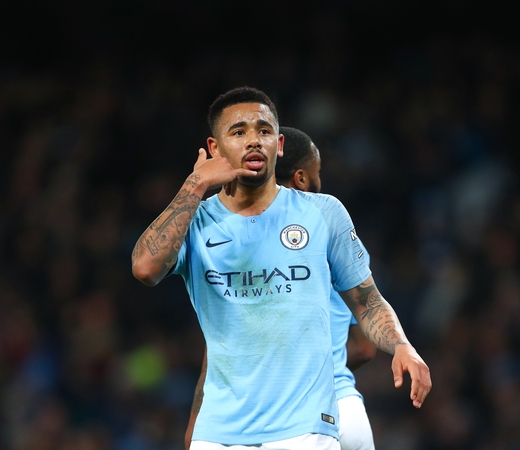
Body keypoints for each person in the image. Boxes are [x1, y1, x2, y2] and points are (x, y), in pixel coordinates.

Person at [131, 87, 431, 450]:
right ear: (214, 149)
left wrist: (402, 345)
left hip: (304, 429)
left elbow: (366, 301)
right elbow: (145, 268)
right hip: (218, 432)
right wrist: (195, 184)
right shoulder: (196, 222)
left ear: (280, 144)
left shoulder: (323, 213)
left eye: (263, 130)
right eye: (238, 132)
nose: (253, 140)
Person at [183, 126, 378, 450]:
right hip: (339, 408)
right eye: (317, 174)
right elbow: (364, 347)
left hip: (263, 418)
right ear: (301, 178)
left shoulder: (242, 249)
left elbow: (221, 352)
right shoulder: (329, 233)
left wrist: (195, 421)